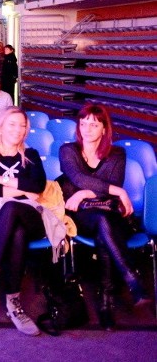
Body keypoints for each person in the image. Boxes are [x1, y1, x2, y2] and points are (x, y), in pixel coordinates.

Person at [59, 104, 148, 330]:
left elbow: (109, 183)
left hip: (110, 214)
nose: (87, 129)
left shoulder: (117, 153)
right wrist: (116, 192)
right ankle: (127, 280)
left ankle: (108, 299)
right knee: (100, 222)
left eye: (94, 124)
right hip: (81, 218)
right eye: (83, 123)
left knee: (103, 225)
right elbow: (79, 177)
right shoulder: (68, 150)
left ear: (104, 129)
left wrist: (83, 193)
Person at [0, 107, 48, 336]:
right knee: (17, 232)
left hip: (33, 216)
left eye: (22, 125)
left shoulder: (31, 154)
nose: (18, 129)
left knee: (13, 209)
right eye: (12, 124)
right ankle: (14, 303)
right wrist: (21, 187)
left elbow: (38, 188)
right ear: (0, 126)